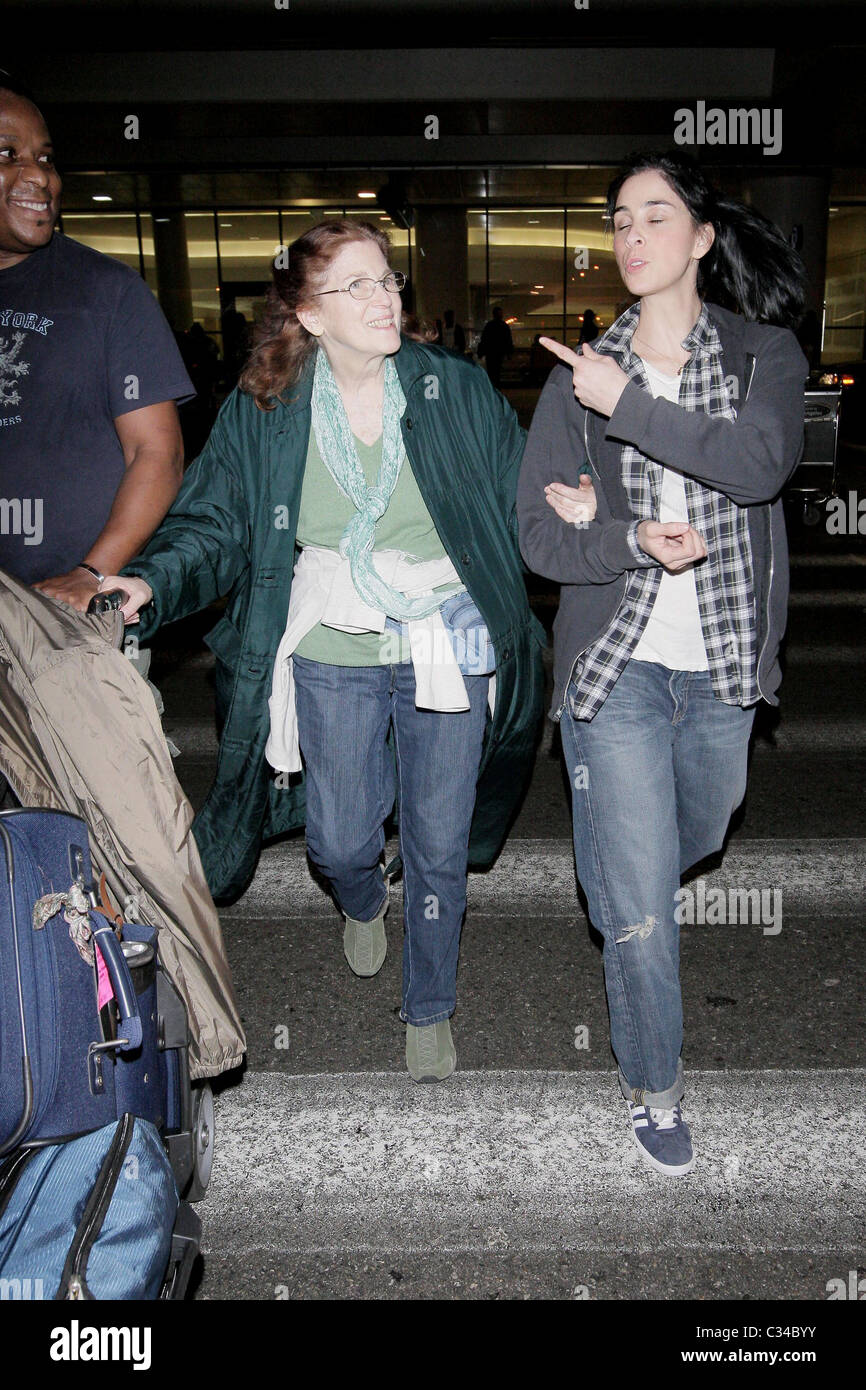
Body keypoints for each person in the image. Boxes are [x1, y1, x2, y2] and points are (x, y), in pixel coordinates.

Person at [100, 219, 545, 1083]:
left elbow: (521, 495)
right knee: (340, 838)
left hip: (444, 630)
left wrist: (577, 510)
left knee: (438, 839)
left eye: (389, 281)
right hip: (331, 635)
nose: (385, 299)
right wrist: (149, 583)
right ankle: (361, 895)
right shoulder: (266, 408)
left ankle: (430, 1003)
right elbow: (215, 519)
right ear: (308, 313)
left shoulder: (451, 387)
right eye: (358, 287)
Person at [517, 151, 808, 1176]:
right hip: (617, 669)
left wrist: (629, 405)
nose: (630, 233)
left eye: (653, 215)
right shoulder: (573, 374)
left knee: (699, 824)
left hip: (723, 665)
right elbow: (539, 543)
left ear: (698, 238)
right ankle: (653, 1085)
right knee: (641, 900)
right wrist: (627, 539)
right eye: (616, 219)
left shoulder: (763, 354)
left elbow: (758, 465)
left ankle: (618, 861)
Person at [0, 71, 192, 612]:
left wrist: (92, 572)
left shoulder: (107, 292)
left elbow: (158, 451)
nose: (36, 175)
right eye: (8, 153)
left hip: (68, 620)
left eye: (44, 157)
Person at [477, 305, 513, 388]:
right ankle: (496, 387)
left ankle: (493, 386)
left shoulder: (490, 325)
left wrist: (481, 352)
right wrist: (509, 353)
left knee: (491, 371)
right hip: (499, 352)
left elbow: (484, 339)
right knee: (497, 371)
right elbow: (508, 340)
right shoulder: (503, 326)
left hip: (491, 352)